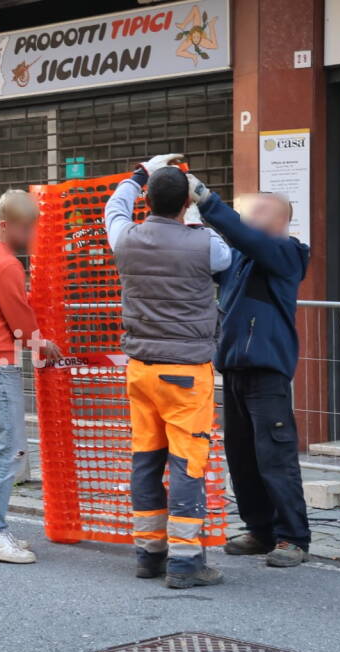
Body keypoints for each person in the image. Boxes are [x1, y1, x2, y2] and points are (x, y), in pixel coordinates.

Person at [103, 156, 232, 589]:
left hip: (140, 369)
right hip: (186, 372)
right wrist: (196, 213)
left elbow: (113, 208)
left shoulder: (126, 238)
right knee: (186, 463)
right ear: (184, 205)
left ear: (148, 201)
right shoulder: (204, 243)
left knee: (146, 458)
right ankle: (185, 561)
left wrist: (138, 173)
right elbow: (225, 255)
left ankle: (148, 553)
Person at [187, 175, 312, 567]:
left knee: (276, 458)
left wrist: (207, 201)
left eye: (253, 213)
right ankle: (260, 530)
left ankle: (293, 538)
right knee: (242, 459)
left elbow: (247, 237)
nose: (244, 219)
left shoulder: (288, 252)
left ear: (277, 220)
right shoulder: (240, 256)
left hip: (266, 373)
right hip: (234, 371)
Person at [0, 189, 62, 564]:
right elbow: (19, 319)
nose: (30, 237)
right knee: (9, 449)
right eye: (25, 229)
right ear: (6, 225)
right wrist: (42, 343)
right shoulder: (5, 264)